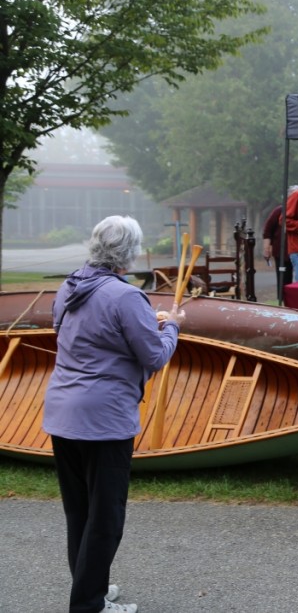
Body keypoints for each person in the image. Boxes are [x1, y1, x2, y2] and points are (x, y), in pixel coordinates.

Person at [43, 215, 184, 613]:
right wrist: (172, 326)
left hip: (62, 410)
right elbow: (154, 356)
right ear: (130, 252)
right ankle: (89, 604)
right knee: (105, 517)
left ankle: (92, 589)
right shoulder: (125, 297)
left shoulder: (69, 287)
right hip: (103, 418)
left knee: (79, 512)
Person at [262, 185, 298, 289]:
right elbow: (267, 230)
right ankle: (283, 301)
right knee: (283, 280)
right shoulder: (279, 211)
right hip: (282, 252)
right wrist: (266, 249)